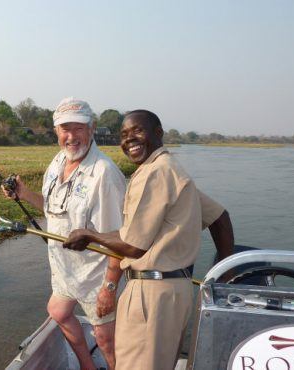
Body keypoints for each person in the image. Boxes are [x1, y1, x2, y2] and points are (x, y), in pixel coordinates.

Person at [63, 109, 216, 370]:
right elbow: (221, 218)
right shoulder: (173, 169)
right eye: (124, 134)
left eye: (138, 131)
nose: (130, 139)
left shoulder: (152, 172)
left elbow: (133, 247)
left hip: (151, 294)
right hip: (177, 291)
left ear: (158, 134)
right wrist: (219, 275)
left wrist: (88, 234)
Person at [3, 97, 126, 370]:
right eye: (64, 129)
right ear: (56, 131)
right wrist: (23, 194)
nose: (71, 137)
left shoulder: (104, 173)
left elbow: (120, 239)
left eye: (78, 128)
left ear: (92, 129)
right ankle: (87, 366)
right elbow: (51, 209)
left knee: (106, 340)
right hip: (65, 270)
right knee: (58, 311)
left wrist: (109, 288)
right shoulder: (58, 162)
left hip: (97, 276)